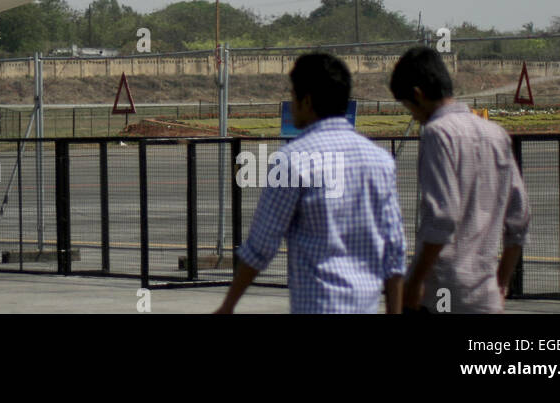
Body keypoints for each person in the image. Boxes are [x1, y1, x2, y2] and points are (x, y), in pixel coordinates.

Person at [217, 53, 406, 314]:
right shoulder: (381, 161)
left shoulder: (291, 160)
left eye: (293, 96)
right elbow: (394, 250)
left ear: (306, 101)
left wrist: (228, 306)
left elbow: (261, 247)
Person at [391, 46, 530, 313]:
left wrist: (414, 282)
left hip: (441, 290)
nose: (414, 116)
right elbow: (520, 217)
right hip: (485, 296)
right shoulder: (496, 133)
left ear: (418, 95)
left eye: (409, 107)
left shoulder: (437, 133)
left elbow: (442, 218)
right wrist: (501, 283)